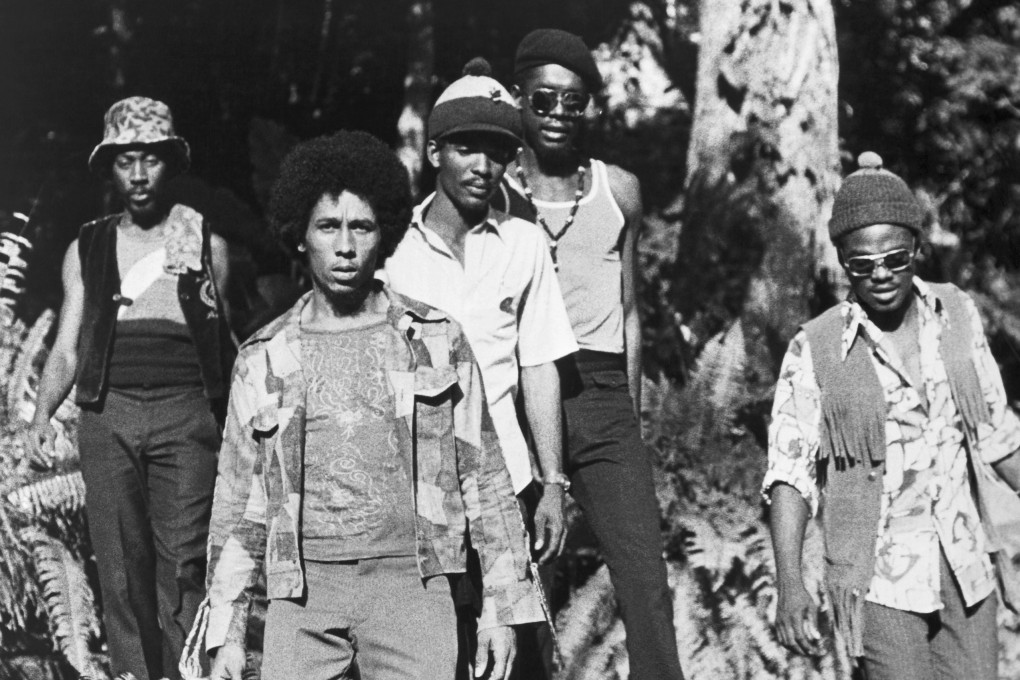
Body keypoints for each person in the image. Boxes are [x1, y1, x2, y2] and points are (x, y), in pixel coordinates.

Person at [187, 131, 545, 680]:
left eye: (362, 227)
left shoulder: (436, 340)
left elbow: (485, 479)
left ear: (385, 234)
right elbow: (239, 505)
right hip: (302, 594)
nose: (346, 246)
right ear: (301, 236)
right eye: (328, 227)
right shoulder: (264, 357)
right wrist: (227, 633)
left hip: (414, 584)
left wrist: (501, 609)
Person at [764, 151, 1020, 680]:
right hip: (879, 580)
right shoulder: (816, 348)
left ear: (916, 249)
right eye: (862, 264)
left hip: (966, 566)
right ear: (843, 262)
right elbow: (790, 475)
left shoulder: (956, 315)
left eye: (895, 258)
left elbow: (999, 435)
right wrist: (789, 584)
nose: (880, 274)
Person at [491, 28, 684, 680]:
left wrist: (629, 418)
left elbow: (628, 311)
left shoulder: (617, 189)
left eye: (572, 102)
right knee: (520, 575)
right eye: (543, 100)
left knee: (644, 575)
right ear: (518, 98)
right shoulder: (494, 194)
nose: (557, 114)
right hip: (520, 394)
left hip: (600, 391)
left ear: (590, 108)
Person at [24, 96, 235, 680]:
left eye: (151, 159)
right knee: (119, 565)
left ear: (172, 164)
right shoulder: (87, 248)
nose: (139, 175)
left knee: (184, 563)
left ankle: (188, 671)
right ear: (109, 169)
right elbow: (67, 346)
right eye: (125, 161)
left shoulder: (206, 243)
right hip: (108, 414)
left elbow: (224, 344)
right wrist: (41, 417)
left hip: (186, 416)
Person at [385, 60, 577, 563]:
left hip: (506, 478)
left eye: (497, 153)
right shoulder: (391, 249)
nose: (482, 167)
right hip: (412, 484)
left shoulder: (524, 243)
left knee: (519, 612)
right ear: (434, 152)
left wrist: (552, 483)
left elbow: (539, 365)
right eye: (466, 148)